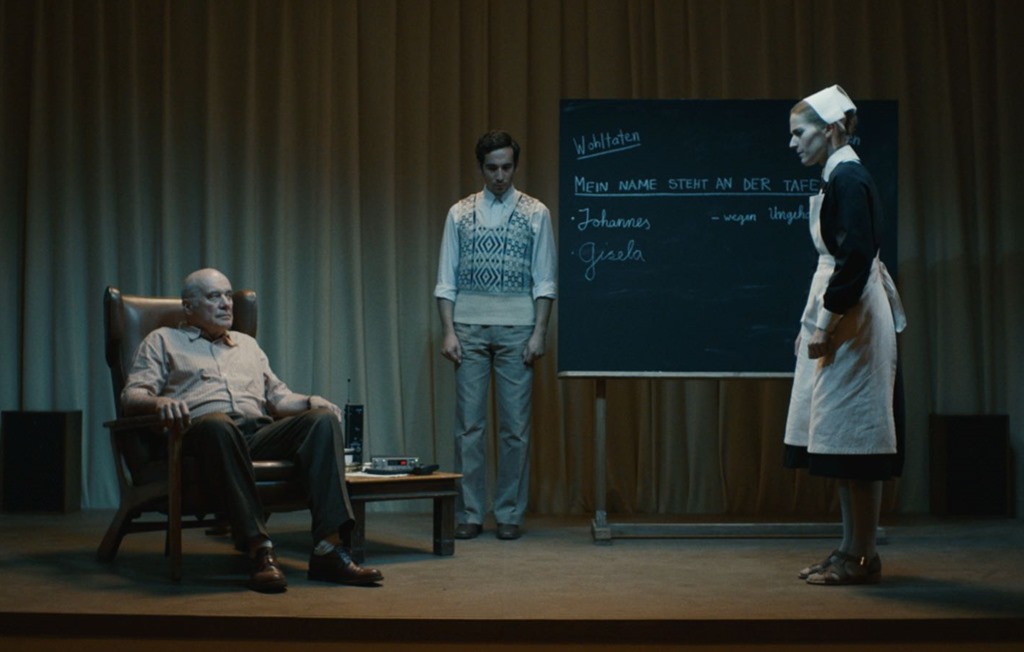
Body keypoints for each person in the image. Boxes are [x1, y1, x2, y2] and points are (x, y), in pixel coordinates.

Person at [121, 267, 384, 592]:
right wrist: (158, 402)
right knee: (219, 424)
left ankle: (328, 549)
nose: (226, 303)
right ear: (188, 306)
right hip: (198, 437)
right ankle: (260, 551)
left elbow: (278, 398)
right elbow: (132, 396)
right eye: (214, 296)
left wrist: (310, 401)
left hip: (255, 434)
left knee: (321, 420)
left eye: (228, 295)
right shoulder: (162, 340)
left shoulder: (247, 345)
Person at [782, 85, 906, 585]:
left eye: (800, 133)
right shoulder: (838, 176)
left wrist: (825, 324)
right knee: (839, 441)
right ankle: (848, 549)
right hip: (843, 316)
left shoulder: (849, 178)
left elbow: (853, 261)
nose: (793, 143)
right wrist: (811, 323)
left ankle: (862, 555)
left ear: (830, 129)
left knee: (858, 442)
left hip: (854, 322)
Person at [434, 130, 557, 541]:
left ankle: (508, 513)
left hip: (518, 329)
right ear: (481, 168)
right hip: (469, 329)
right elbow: (446, 278)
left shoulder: (536, 212)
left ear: (515, 166)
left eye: (506, 167)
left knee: (515, 427)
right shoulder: (460, 212)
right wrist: (449, 331)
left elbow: (545, 279)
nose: (500, 175)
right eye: (492, 168)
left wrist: (539, 331)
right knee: (468, 427)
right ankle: (470, 512)